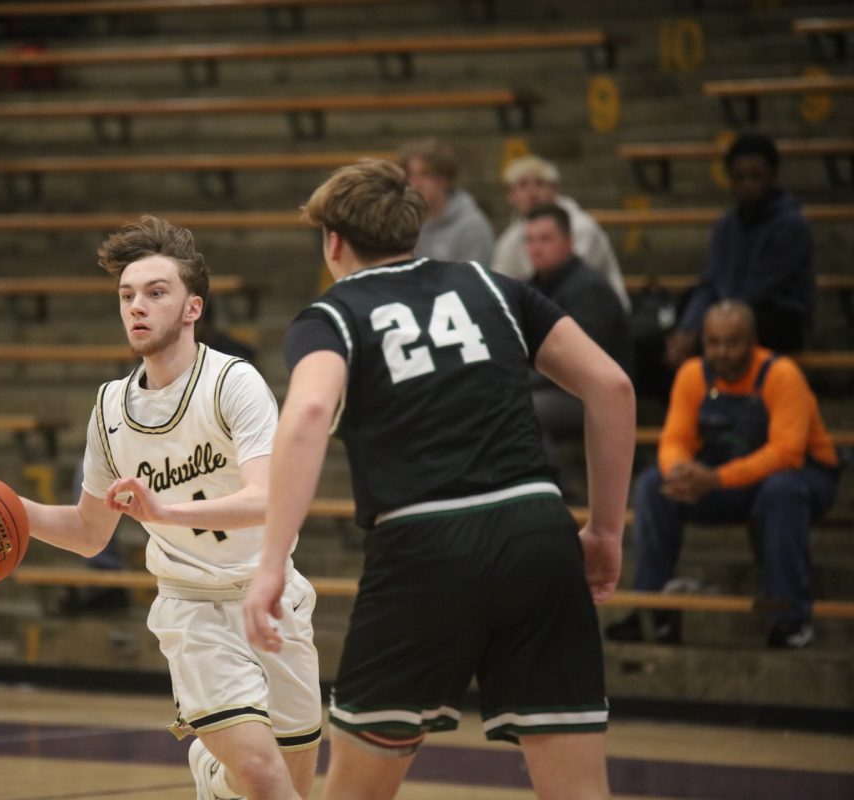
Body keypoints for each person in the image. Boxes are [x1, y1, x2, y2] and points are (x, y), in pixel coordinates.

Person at [243, 160, 635, 800]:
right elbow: (613, 387)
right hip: (538, 531)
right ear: (412, 233)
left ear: (333, 243)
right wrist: (607, 530)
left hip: (422, 547)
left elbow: (310, 409)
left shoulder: (332, 313)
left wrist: (268, 567)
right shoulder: (494, 285)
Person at [19, 216, 321, 800]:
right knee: (263, 779)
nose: (138, 306)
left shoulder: (234, 383)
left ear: (192, 308)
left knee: (293, 788)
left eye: (156, 293)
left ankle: (215, 778)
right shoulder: (109, 409)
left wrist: (164, 513)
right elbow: (89, 534)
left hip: (272, 593)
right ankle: (220, 769)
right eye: (127, 295)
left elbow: (269, 500)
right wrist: (12, 509)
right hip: (193, 607)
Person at [608, 301, 839, 649]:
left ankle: (790, 619)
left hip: (801, 478)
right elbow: (674, 439)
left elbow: (788, 453)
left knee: (781, 492)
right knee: (654, 485)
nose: (722, 352)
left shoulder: (782, 375)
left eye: (732, 343)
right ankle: (651, 610)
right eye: (713, 342)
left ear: (753, 341)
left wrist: (715, 479)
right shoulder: (692, 375)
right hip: (727, 478)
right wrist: (680, 472)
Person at [664, 134, 814, 368]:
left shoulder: (792, 224)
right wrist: (687, 329)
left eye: (755, 177)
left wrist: (716, 321)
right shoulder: (725, 226)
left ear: (772, 177)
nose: (748, 185)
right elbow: (710, 283)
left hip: (775, 317)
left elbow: (759, 288)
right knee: (686, 306)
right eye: (739, 177)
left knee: (726, 329)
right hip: (729, 307)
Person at [525, 203, 632, 495]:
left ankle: (561, 496)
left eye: (545, 239)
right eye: (530, 240)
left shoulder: (589, 289)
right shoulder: (529, 287)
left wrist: (518, 380)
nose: (536, 248)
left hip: (591, 393)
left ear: (569, 242)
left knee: (523, 410)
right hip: (547, 385)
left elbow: (578, 366)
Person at [492, 155, 629, 311]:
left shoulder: (582, 228)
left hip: (592, 311)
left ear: (555, 189)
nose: (532, 193)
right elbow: (499, 288)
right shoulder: (509, 239)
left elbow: (575, 284)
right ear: (511, 196)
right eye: (522, 185)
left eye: (540, 183)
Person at [397, 137, 493, 265]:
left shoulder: (472, 226)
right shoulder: (399, 222)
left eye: (425, 175)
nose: (416, 184)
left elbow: (474, 281)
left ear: (445, 178)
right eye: (410, 175)